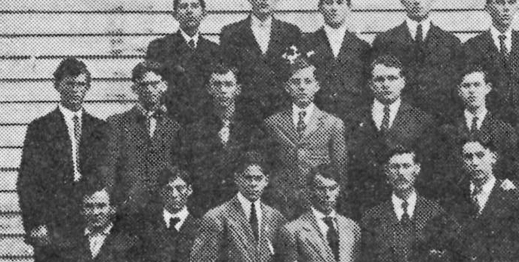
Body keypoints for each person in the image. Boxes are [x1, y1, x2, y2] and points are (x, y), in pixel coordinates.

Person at [18, 58, 110, 262]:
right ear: (57, 85)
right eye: (69, 84)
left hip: (87, 222)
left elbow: (104, 177)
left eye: (81, 85)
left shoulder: (100, 129)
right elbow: (27, 182)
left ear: (88, 88)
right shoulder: (40, 128)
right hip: (53, 223)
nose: (75, 90)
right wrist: (36, 224)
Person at [357, 147, 464, 262]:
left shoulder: (436, 214)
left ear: (417, 169)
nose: (401, 173)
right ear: (386, 172)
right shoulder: (372, 218)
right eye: (395, 167)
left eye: (406, 166)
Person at [346, 56, 437, 215]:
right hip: (362, 203)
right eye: (380, 79)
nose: (386, 84)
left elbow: (428, 169)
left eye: (392, 78)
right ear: (371, 84)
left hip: (404, 205)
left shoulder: (421, 120)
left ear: (402, 82)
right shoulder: (353, 120)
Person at [263, 57, 349, 219]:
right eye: (296, 82)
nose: (302, 87)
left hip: (319, 201)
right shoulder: (272, 123)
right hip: (283, 202)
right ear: (288, 87)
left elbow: (340, 169)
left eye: (307, 81)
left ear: (316, 86)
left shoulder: (333, 124)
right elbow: (268, 165)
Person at [179, 61, 268, 215]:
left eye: (228, 84)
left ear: (237, 89)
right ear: (209, 89)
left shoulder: (253, 130)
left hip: (242, 209)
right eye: (217, 85)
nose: (223, 90)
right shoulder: (193, 131)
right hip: (204, 209)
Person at [372, 0, 463, 121]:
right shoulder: (385, 41)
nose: (417, 1)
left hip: (440, 122)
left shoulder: (451, 43)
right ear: (402, 0)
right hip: (400, 124)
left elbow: (458, 90)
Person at [218, 0, 303, 118]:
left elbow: (295, 73)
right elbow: (228, 74)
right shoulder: (231, 33)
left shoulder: (291, 33)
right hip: (244, 114)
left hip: (282, 113)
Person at [106, 60, 182, 216]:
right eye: (144, 85)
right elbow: (109, 168)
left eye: (154, 84)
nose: (150, 90)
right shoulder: (117, 124)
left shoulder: (176, 126)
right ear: (134, 88)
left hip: (165, 210)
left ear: (164, 86)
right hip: (128, 209)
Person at [461, 0, 519, 126]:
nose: (506, 8)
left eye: (511, 3)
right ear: (488, 8)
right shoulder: (473, 46)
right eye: (499, 2)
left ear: (516, 7)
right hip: (490, 128)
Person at [436, 67, 519, 197]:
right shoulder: (447, 131)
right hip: (457, 199)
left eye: (477, 85)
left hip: (495, 199)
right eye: (466, 86)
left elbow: (512, 168)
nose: (472, 91)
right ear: (459, 90)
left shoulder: (504, 130)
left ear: (487, 88)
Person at [146, 0, 221, 126]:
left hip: (205, 124)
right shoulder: (160, 47)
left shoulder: (214, 50)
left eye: (194, 6)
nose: (189, 11)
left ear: (204, 14)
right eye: (183, 7)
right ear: (174, 15)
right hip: (171, 122)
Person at [301, 0, 372, 123]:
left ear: (349, 8)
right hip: (316, 122)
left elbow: (367, 89)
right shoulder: (305, 44)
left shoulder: (362, 47)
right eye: (328, 3)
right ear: (320, 8)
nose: (334, 8)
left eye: (340, 2)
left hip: (351, 123)